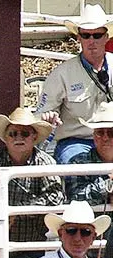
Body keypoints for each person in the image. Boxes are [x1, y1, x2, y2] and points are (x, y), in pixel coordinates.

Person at [0, 107, 64, 258]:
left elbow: (56, 198)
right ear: (5, 138)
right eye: (13, 134)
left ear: (34, 137)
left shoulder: (45, 162)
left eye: (24, 133)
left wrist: (18, 212)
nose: (18, 138)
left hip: (30, 247)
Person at [36, 3, 113, 166]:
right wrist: (48, 117)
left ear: (106, 37)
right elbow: (41, 114)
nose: (91, 41)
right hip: (77, 141)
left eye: (97, 35)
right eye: (86, 35)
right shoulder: (61, 73)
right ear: (79, 37)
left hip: (111, 138)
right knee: (73, 165)